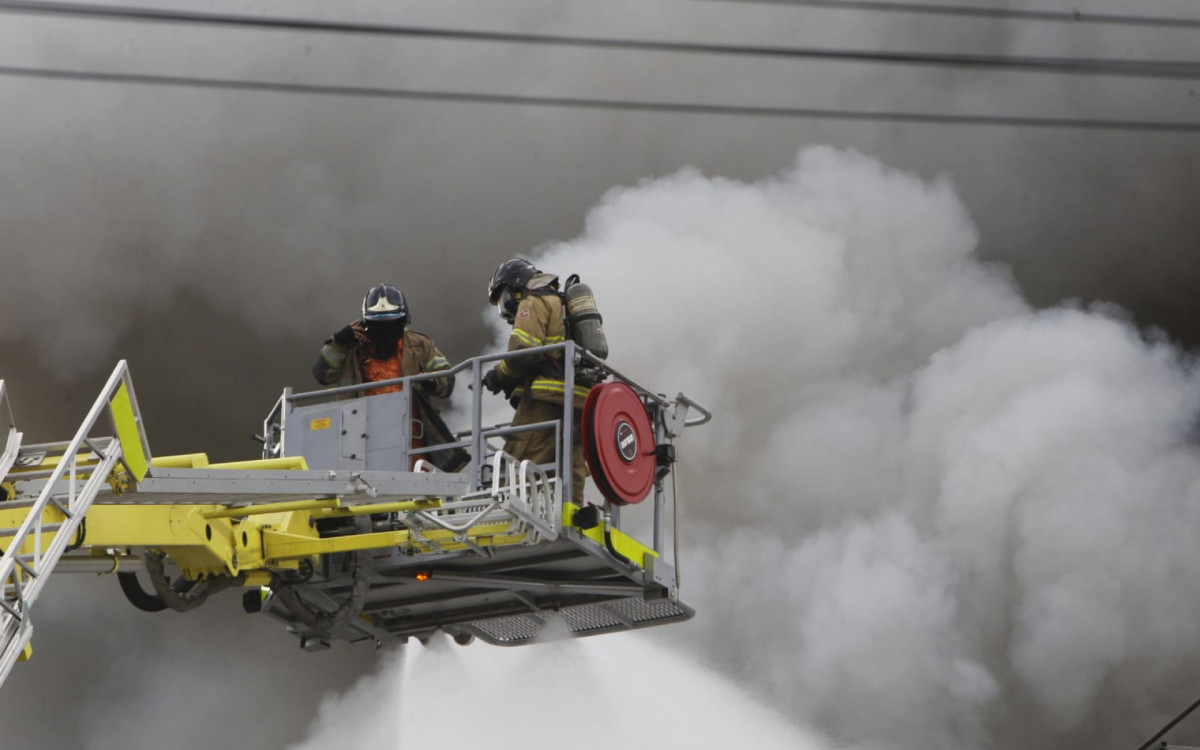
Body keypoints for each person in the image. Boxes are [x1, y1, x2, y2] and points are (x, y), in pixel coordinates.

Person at [314, 283, 464, 469]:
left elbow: (447, 380)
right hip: (361, 445)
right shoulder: (351, 348)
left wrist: (432, 383)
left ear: (402, 322)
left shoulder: (419, 345)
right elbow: (322, 374)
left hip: (413, 445)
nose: (385, 332)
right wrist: (339, 342)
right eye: (378, 326)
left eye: (390, 325)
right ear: (366, 324)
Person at [482, 258, 591, 502]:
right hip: (580, 400)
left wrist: (497, 377)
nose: (505, 307)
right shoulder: (563, 304)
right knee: (570, 466)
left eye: (504, 296)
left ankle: (503, 512)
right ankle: (570, 516)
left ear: (516, 286)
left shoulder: (533, 301)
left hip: (545, 397)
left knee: (518, 458)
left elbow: (523, 352)